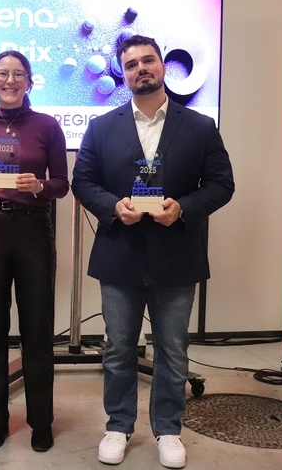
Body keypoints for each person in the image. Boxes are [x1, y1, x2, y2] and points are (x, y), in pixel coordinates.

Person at [71, 35, 234, 469]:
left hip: (176, 255)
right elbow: (82, 182)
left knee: (173, 350)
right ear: (122, 74)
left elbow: (222, 184)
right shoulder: (101, 127)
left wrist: (183, 208)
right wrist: (113, 207)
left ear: (163, 66)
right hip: (120, 254)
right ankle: (118, 425)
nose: (140, 68)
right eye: (131, 64)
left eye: (148, 60)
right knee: (119, 348)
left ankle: (168, 429)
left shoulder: (199, 126)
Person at [0, 50, 69, 452]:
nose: (10, 80)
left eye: (18, 74)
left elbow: (62, 183)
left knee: (37, 330)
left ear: (29, 82)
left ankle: (41, 421)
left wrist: (40, 186)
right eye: (2, 74)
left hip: (34, 229)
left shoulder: (47, 126)